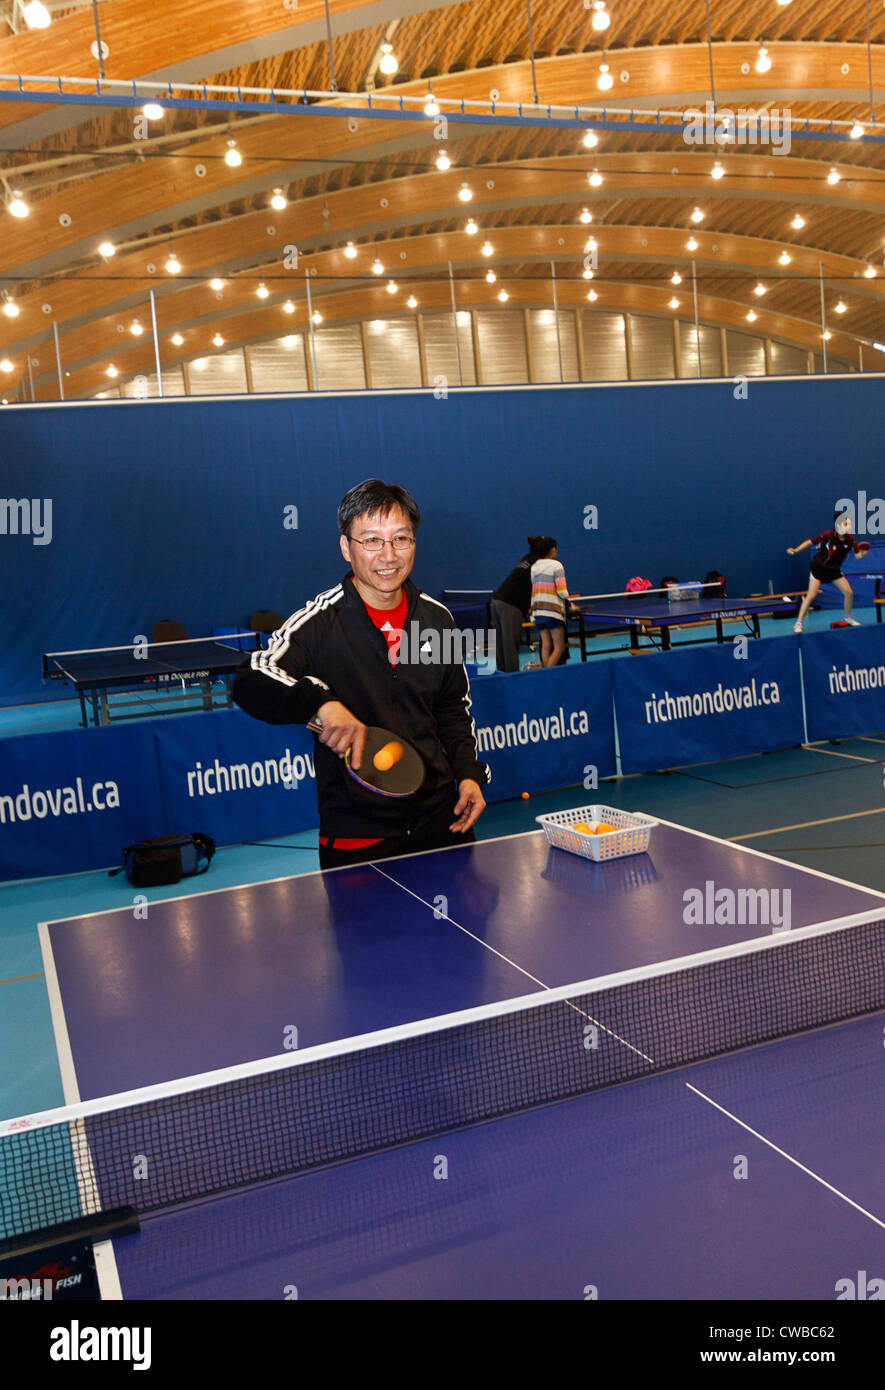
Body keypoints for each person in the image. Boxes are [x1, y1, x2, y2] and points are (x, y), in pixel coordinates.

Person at [233, 479, 489, 869]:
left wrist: (468, 774)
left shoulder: (437, 621)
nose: (388, 555)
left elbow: (452, 708)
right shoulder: (318, 623)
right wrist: (320, 703)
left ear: (414, 544)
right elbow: (251, 677)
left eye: (400, 539)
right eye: (371, 540)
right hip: (358, 838)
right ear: (345, 548)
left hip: (442, 823)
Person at [787, 511, 870, 634]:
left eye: (849, 523)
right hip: (819, 568)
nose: (848, 526)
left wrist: (863, 554)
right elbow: (809, 542)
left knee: (849, 593)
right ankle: (798, 623)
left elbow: (857, 555)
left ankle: (847, 618)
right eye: (845, 523)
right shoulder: (828, 535)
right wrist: (795, 550)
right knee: (811, 596)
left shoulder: (850, 539)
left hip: (834, 570)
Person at [489, 540, 540, 672]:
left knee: (501, 643)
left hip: (496, 601)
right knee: (510, 643)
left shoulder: (526, 559)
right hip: (511, 605)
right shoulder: (540, 563)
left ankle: (501, 674)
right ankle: (512, 676)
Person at [528, 536, 576, 667]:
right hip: (553, 612)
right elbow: (561, 591)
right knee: (559, 647)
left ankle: (544, 673)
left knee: (546, 645)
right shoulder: (557, 565)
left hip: (538, 612)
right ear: (553, 549)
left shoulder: (534, 567)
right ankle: (547, 675)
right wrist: (571, 603)